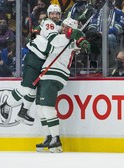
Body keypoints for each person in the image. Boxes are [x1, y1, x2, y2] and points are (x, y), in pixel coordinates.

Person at [35, 18, 90, 153]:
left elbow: (80, 42)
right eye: (63, 26)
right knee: (40, 108)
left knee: (47, 108)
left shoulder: (63, 38)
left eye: (65, 26)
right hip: (46, 74)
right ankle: (48, 137)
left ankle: (56, 140)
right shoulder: (65, 38)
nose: (63, 28)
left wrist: (80, 38)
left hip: (54, 74)